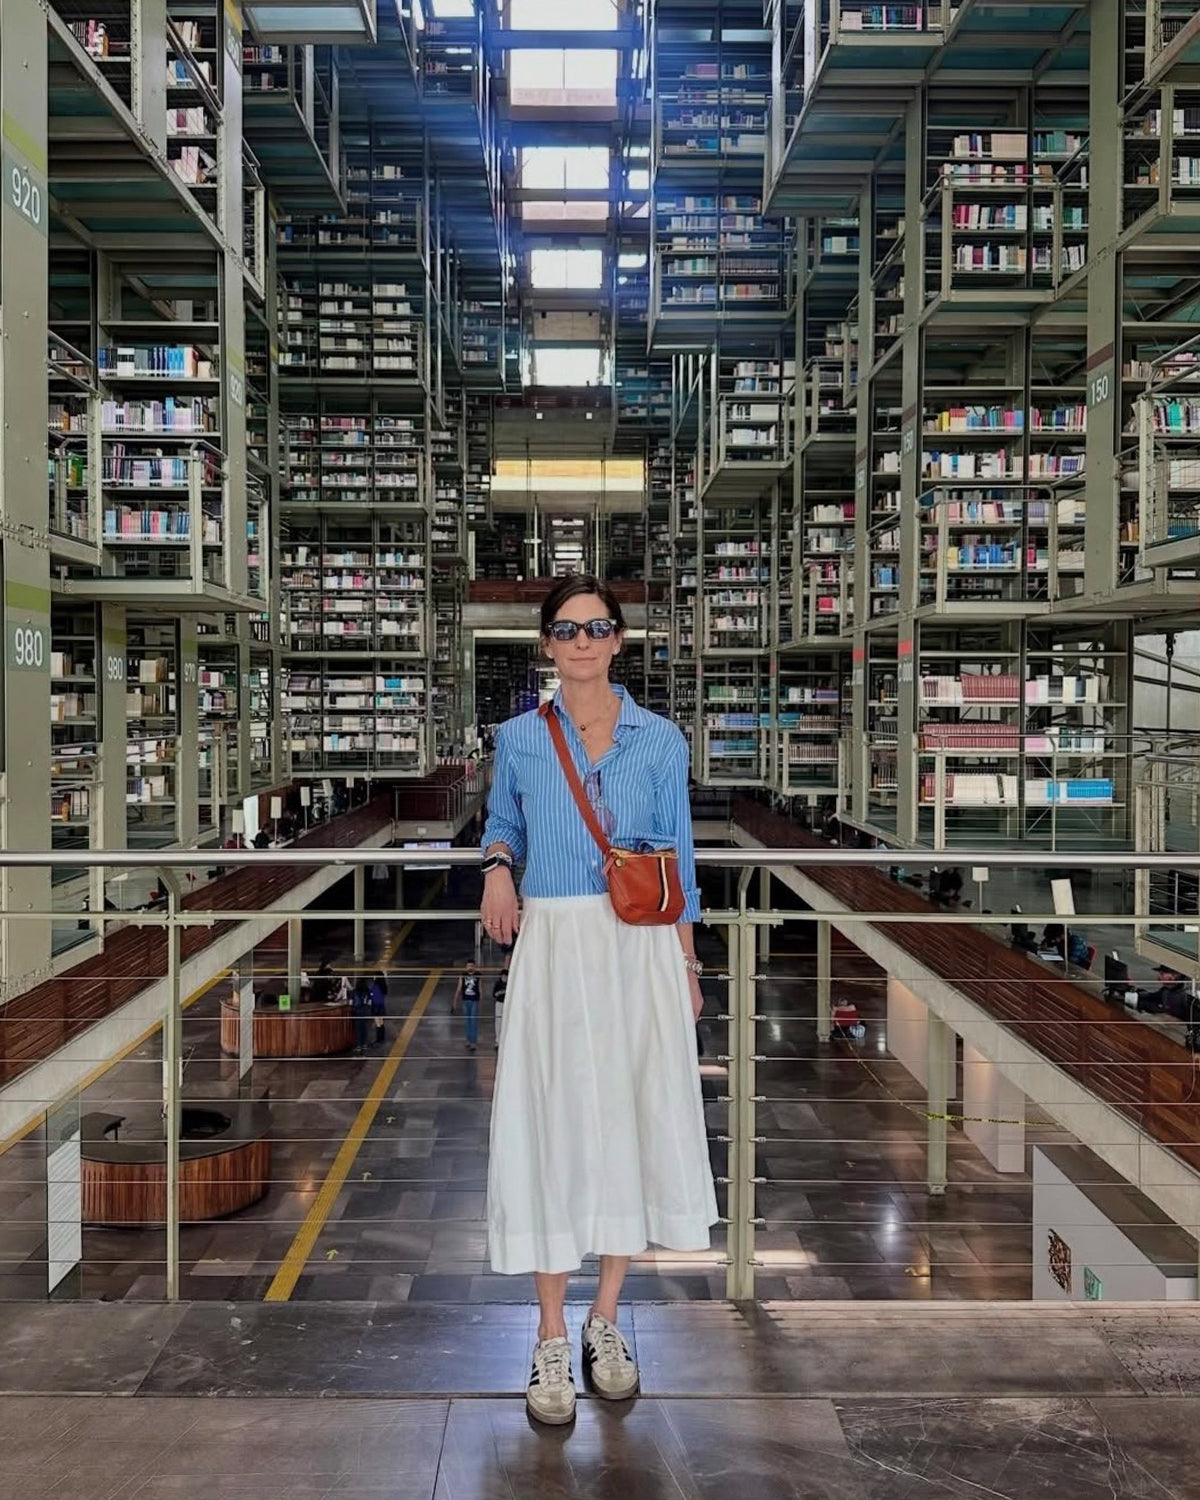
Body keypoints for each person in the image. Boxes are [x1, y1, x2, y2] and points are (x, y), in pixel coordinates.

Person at [480, 574, 717, 1427]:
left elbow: (681, 856)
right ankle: (548, 1332)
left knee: (628, 1116)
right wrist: (499, 869)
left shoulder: (660, 741)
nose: (582, 641)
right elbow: (500, 822)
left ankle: (606, 1319)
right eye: (567, 629)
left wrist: (687, 961)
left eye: (598, 628)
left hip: (639, 945)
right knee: (550, 1119)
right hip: (554, 940)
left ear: (619, 640)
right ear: (546, 644)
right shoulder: (519, 738)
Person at [452, 960, 482, 1052]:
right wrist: (455, 1001)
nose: (470, 967)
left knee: (473, 1022)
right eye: (468, 966)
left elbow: (480, 988)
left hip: (474, 1000)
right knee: (467, 1021)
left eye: (471, 966)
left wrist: (481, 999)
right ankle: (468, 1040)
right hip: (465, 1000)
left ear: (474, 966)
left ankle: (473, 1042)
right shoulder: (463, 975)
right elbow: (459, 988)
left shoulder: (478, 976)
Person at [492, 954, 509, 1050]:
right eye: (503, 976)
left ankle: (505, 1041)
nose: (504, 978)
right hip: (499, 1003)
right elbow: (494, 994)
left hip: (507, 1004)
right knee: (498, 1022)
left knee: (506, 1022)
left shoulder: (510, 984)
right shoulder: (498, 984)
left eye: (505, 976)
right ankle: (498, 1041)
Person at [351, 976, 371, 1054]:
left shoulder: (354, 992)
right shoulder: (367, 991)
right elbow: (369, 1002)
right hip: (365, 1012)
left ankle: (358, 1045)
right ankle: (364, 1044)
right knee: (364, 1028)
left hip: (357, 1011)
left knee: (358, 1029)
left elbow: (351, 1003)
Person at [370, 971, 389, 1047]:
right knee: (381, 1021)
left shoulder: (376, 986)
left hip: (376, 1006)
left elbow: (372, 995)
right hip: (381, 1005)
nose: (373, 977)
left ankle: (378, 1039)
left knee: (377, 1022)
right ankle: (382, 1037)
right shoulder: (383, 986)